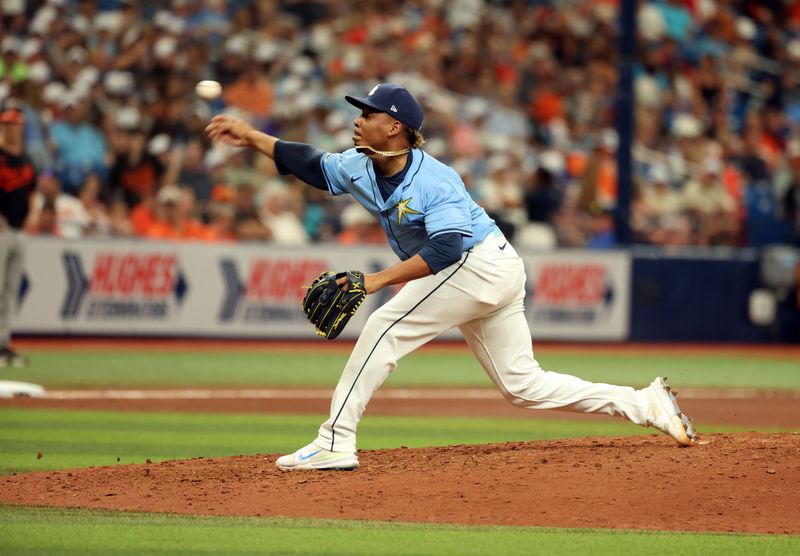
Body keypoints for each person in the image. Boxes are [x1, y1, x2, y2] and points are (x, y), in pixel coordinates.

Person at [205, 83, 697, 471]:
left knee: (383, 327)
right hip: (491, 268)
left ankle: (335, 441)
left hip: (476, 263)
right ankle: (644, 403)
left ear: (395, 127)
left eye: (368, 114)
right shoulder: (360, 163)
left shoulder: (434, 180)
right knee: (522, 385)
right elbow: (311, 164)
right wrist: (251, 137)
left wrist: (375, 282)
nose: (357, 120)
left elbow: (446, 249)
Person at [0, 99, 35, 368]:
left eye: (16, 124)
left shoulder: (26, 159)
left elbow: (31, 188)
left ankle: (4, 344)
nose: (13, 129)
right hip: (1, 231)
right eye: (8, 124)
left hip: (19, 229)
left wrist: (32, 211)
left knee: (11, 290)